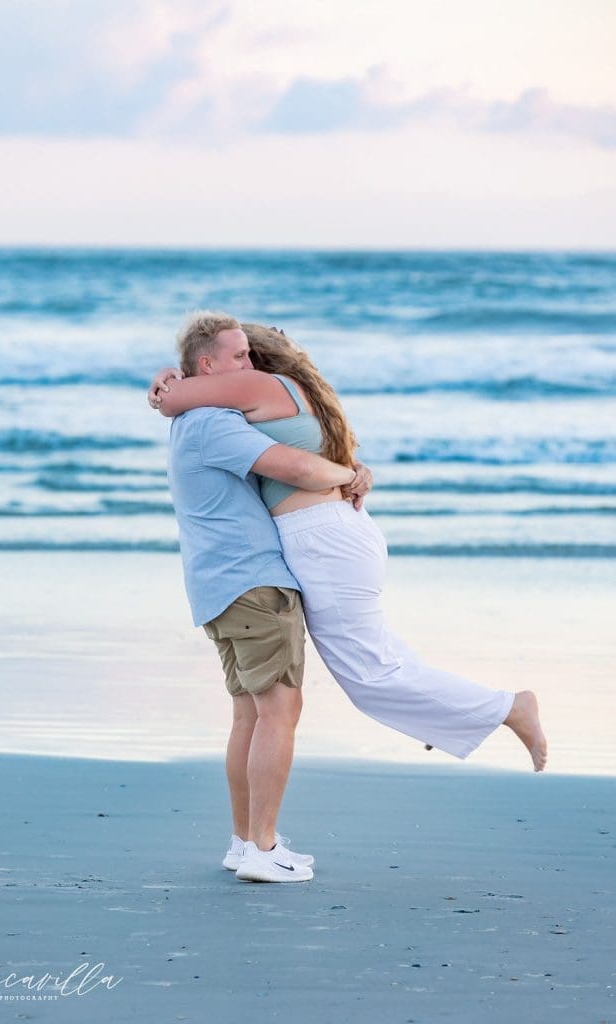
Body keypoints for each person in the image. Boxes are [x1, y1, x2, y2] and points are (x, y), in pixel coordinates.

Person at [150, 319, 548, 773]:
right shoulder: (298, 391)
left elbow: (172, 401)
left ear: (257, 361)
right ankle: (448, 716)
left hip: (322, 538)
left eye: (246, 356)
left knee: (369, 675)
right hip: (335, 534)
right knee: (381, 656)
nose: (242, 365)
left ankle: (507, 708)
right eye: (237, 357)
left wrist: (165, 377)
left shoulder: (258, 384)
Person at [153, 311, 372, 884]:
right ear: (208, 366)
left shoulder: (191, 419)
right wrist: (348, 475)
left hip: (218, 584)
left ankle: (244, 841)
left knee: (250, 714)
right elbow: (293, 466)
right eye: (239, 357)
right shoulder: (211, 422)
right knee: (279, 711)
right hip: (252, 581)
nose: (249, 366)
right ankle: (263, 848)